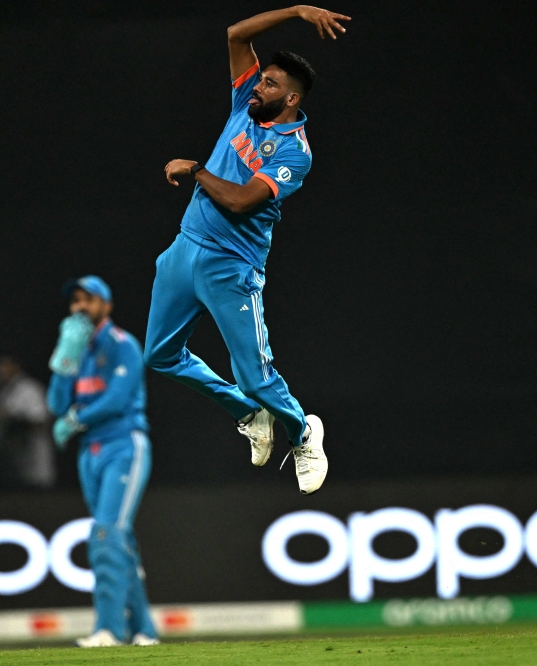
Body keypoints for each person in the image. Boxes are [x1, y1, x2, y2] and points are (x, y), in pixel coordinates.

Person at [143, 6, 349, 495]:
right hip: (185, 248)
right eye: (260, 79)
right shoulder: (245, 103)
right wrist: (297, 10)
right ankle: (248, 414)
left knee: (255, 377)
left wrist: (196, 170)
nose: (258, 86)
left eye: (270, 84)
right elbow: (235, 34)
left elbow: (239, 202)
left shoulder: (295, 152)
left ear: (291, 98)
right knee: (160, 354)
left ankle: (302, 431)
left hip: (231, 267)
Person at [46, 276, 158, 648]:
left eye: (89, 299)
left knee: (105, 532)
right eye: (75, 300)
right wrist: (64, 360)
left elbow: (116, 400)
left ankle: (109, 629)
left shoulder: (123, 345)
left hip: (124, 445)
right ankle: (144, 631)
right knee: (117, 538)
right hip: (89, 452)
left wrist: (76, 419)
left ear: (106, 306)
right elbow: (56, 405)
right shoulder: (77, 349)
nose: (80, 307)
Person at [0, 355, 56, 489]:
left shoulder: (30, 388)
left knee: (38, 484)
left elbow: (41, 420)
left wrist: (16, 422)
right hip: (16, 452)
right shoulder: (5, 390)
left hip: (34, 447)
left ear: (15, 367)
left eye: (4, 366)